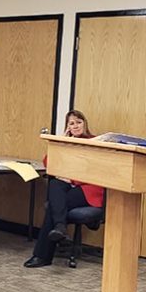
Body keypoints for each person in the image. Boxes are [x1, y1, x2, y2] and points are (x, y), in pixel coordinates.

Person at [24, 110, 105, 268]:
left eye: (79, 122)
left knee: (54, 207)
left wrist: (72, 179)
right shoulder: (67, 142)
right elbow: (49, 163)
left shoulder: (94, 142)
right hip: (70, 185)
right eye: (71, 123)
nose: (75, 126)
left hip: (89, 188)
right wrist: (62, 142)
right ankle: (60, 227)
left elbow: (95, 170)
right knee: (54, 184)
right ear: (68, 127)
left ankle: (42, 255)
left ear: (85, 123)